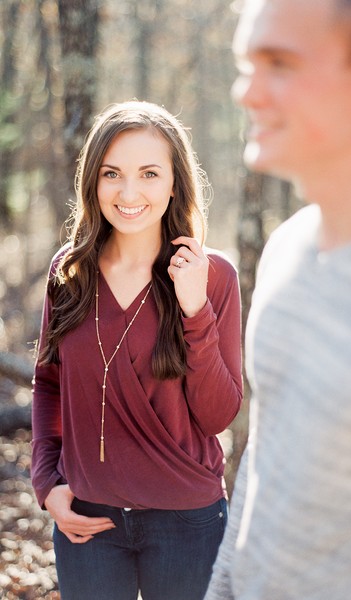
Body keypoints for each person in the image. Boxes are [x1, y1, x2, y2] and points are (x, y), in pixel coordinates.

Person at [204, 0, 351, 597]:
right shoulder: (287, 250)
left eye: (279, 63)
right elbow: (263, 469)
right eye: (244, 65)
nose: (247, 93)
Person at [31, 100, 243, 600]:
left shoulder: (213, 277)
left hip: (187, 523)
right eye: (112, 174)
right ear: (93, 182)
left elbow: (217, 416)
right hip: (88, 521)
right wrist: (47, 484)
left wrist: (195, 311)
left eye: (149, 173)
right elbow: (48, 383)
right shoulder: (70, 272)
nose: (129, 193)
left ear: (175, 183)